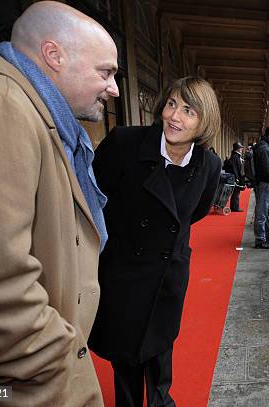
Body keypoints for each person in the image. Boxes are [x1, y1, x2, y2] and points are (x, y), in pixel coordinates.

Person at [0, 2, 118, 405]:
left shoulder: (37, 114)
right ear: (54, 55)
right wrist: (60, 374)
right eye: (105, 72)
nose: (113, 88)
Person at [88, 77, 221, 407]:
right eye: (172, 104)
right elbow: (93, 198)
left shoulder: (210, 165)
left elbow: (195, 212)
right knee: (128, 358)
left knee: (161, 347)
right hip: (124, 273)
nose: (175, 116)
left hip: (168, 273)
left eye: (189, 110)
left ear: (205, 121)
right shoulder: (124, 143)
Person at [228, 141, 245, 212]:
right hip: (236, 177)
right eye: (240, 148)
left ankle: (234, 206)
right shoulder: (236, 156)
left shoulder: (236, 156)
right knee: (236, 193)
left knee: (236, 193)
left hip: (236, 176)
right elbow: (235, 168)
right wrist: (237, 178)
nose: (241, 149)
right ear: (237, 149)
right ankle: (235, 207)